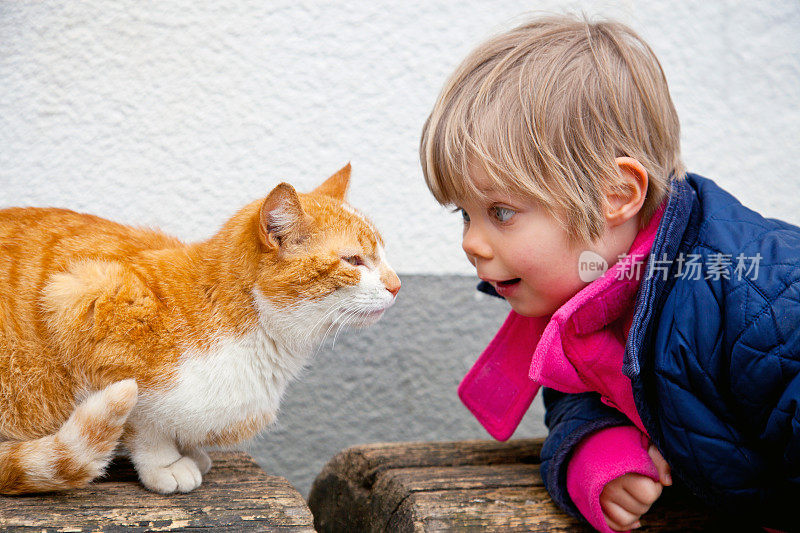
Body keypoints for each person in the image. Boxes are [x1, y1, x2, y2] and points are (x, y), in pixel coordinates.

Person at [419, 14, 800, 533]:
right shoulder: (589, 295)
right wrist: (601, 453)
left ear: (615, 196)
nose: (471, 242)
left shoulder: (757, 299)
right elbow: (577, 396)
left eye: (500, 212)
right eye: (464, 214)